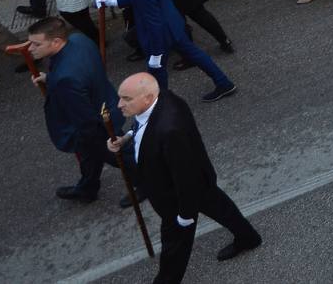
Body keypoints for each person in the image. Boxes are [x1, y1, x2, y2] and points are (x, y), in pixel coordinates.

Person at [106, 73, 261, 281]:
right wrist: (126, 138)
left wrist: (185, 216)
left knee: (174, 248)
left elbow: (185, 177)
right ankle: (248, 238)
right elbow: (143, 127)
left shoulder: (169, 130)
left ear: (148, 98)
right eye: (120, 97)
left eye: (126, 99)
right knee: (221, 207)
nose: (119, 104)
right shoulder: (162, 99)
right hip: (200, 180)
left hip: (178, 197)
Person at [98, 0, 236, 101]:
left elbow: (152, 20)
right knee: (194, 55)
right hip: (173, 24)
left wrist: (156, 53)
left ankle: (161, 105)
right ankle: (223, 83)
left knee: (157, 70)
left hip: (161, 33)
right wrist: (113, 2)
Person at [25, 17, 123, 202]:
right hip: (104, 104)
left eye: (36, 44)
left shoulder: (65, 79)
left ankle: (145, 180)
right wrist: (50, 79)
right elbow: (82, 74)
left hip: (94, 126)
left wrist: (56, 81)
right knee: (91, 158)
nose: (30, 49)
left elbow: (84, 119)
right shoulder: (79, 40)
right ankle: (87, 188)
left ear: (56, 42)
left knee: (115, 155)